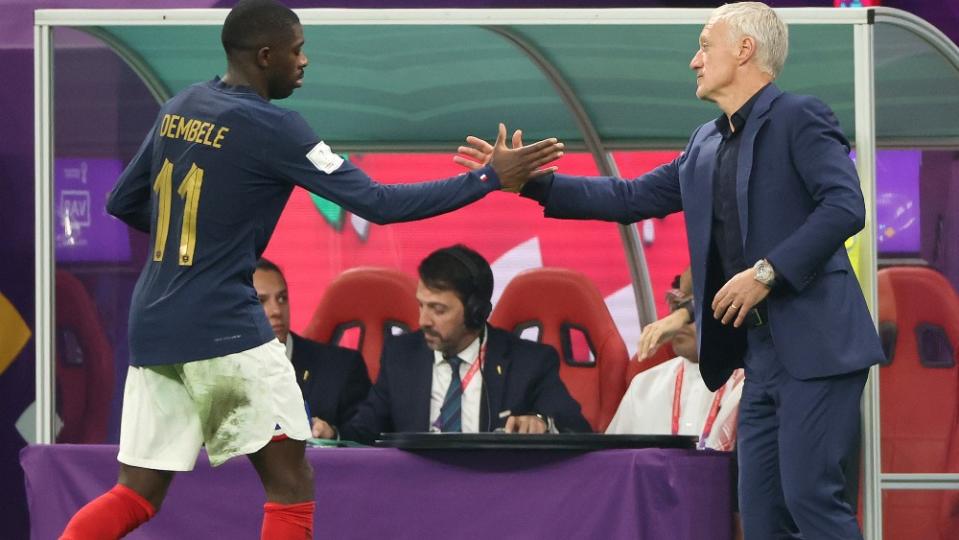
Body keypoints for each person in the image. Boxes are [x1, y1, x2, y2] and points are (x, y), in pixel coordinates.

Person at [59, 1, 563, 538]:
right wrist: (487, 179)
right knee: (291, 484)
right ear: (266, 55)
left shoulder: (180, 106)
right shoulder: (273, 127)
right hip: (225, 331)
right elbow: (379, 203)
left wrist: (198, 245)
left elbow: (122, 201)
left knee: (135, 493)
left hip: (155, 326)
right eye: (297, 50)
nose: (304, 62)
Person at [457, 3, 884, 538]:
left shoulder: (799, 116)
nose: (694, 61)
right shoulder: (705, 141)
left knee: (812, 503)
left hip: (819, 348)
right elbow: (631, 196)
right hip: (759, 358)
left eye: (706, 45)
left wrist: (767, 273)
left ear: (745, 49)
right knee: (760, 515)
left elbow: (845, 207)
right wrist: (528, 183)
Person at [338, 244, 591, 444]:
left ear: (476, 312)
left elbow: (577, 428)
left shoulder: (529, 362)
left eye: (438, 309)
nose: (423, 320)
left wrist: (541, 422)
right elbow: (362, 434)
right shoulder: (401, 356)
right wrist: (333, 433)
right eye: (421, 305)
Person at [606, 271, 744, 453]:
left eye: (692, 310)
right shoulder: (643, 386)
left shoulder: (750, 386)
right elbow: (609, 465)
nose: (679, 320)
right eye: (676, 304)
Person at [253, 258, 371, 439]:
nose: (276, 310)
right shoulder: (217, 369)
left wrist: (333, 435)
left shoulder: (341, 368)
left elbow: (368, 436)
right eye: (261, 301)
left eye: (282, 298)